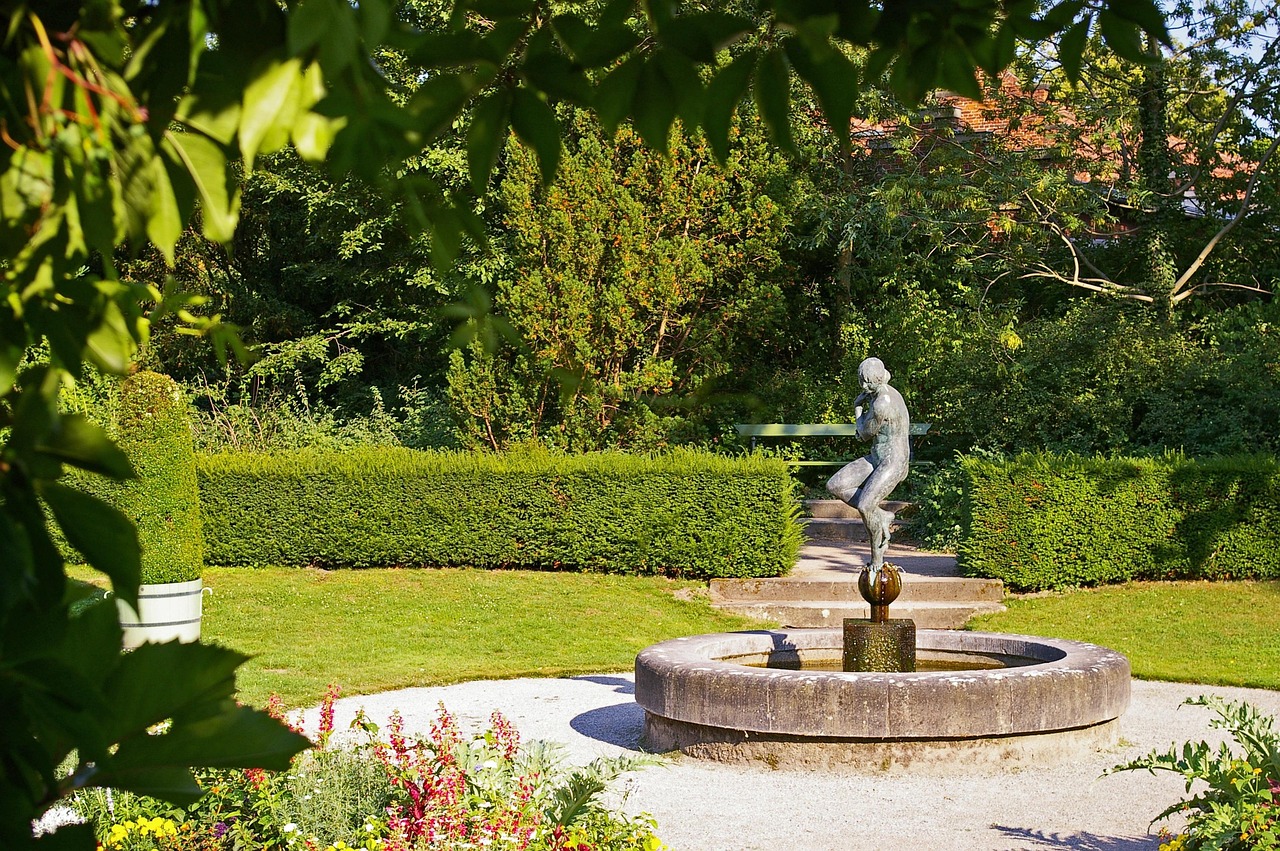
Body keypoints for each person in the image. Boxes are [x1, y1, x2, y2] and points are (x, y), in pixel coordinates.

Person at [826, 357, 910, 570]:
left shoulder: (882, 403)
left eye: (866, 382)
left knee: (865, 505)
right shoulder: (882, 392)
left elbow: (863, 433)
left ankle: (877, 559)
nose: (863, 386)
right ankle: (882, 515)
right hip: (877, 456)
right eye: (861, 380)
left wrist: (857, 408)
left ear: (877, 379)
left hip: (894, 461)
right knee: (835, 485)